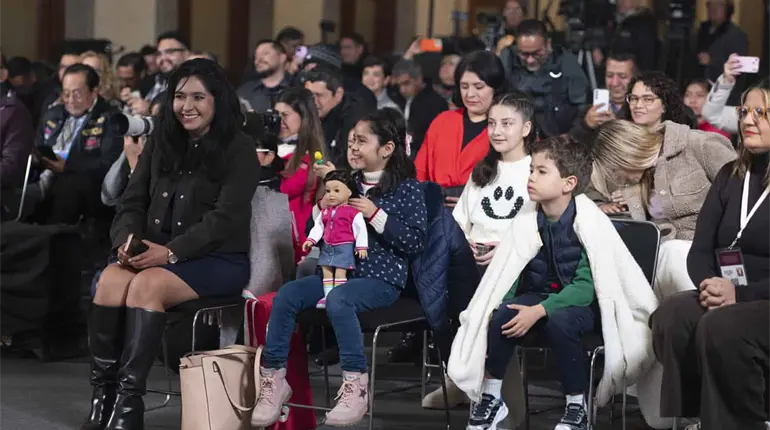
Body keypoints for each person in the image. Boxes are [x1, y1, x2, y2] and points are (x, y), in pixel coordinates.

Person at [82, 59, 258, 429]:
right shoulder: (161, 141)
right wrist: (126, 243)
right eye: (179, 96)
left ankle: (129, 402)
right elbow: (131, 202)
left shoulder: (239, 147)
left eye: (198, 97)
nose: (186, 106)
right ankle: (103, 396)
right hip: (154, 252)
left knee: (147, 285)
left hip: (215, 258)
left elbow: (225, 218)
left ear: (217, 100)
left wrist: (171, 252)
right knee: (110, 279)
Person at [448, 135, 660, 430]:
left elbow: (586, 288)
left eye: (541, 171)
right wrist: (498, 306)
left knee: (561, 322)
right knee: (501, 314)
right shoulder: (527, 217)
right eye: (531, 169)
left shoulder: (589, 221)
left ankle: (577, 406)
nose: (531, 177)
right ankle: (492, 397)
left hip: (583, 305)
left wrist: (539, 311)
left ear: (568, 183)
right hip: (539, 295)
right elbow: (508, 273)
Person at [251, 108, 427, 428]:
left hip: (381, 280)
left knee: (339, 299)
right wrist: (322, 207)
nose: (353, 148)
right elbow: (314, 233)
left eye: (361, 141)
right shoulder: (343, 184)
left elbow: (415, 242)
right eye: (350, 142)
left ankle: (355, 385)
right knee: (288, 294)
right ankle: (274, 379)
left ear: (387, 148)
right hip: (335, 272)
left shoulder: (408, 189)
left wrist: (375, 214)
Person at [651, 78, 770, 430]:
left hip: (762, 296)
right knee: (672, 315)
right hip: (729, 292)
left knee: (722, 326)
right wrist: (710, 286)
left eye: (761, 113)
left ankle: (743, 421)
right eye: (744, 111)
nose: (748, 120)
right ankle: (702, 416)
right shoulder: (731, 175)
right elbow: (701, 249)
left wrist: (740, 295)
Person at [421, 92, 534, 410]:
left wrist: (506, 249)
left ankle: (486, 391)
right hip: (471, 259)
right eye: (492, 123)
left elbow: (538, 228)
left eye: (507, 124)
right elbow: (459, 222)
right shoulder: (482, 171)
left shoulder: (535, 170)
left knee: (488, 306)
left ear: (526, 128)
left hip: (515, 263)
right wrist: (465, 244)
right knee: (439, 283)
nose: (497, 131)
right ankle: (458, 376)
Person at [589, 119, 735, 298]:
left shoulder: (699, 144)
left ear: (626, 156)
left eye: (616, 170)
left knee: (672, 253)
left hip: (708, 251)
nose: (619, 179)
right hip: (661, 257)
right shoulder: (639, 176)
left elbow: (743, 197)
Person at [415, 50, 508, 207]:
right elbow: (419, 171)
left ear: (496, 87)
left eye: (479, 87)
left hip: (487, 209)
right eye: (464, 86)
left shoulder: (509, 126)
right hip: (437, 208)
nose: (470, 94)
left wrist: (479, 202)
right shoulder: (443, 121)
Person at [498, 19, 589, 138]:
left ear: (548, 44)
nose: (530, 60)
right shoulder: (508, 59)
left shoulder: (566, 63)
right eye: (524, 54)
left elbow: (582, 108)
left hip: (558, 138)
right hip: (515, 136)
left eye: (537, 53)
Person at [274, 87, 326, 262]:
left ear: (304, 117)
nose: (279, 120)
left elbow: (284, 189)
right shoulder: (268, 148)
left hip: (296, 244)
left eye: (285, 115)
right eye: (276, 114)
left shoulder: (310, 157)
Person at [247, 133, 295, 296]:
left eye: (252, 150)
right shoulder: (237, 185)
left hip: (264, 280)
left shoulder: (279, 192)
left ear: (269, 156)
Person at [570, 52, 637, 144]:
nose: (614, 83)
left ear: (635, 78)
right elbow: (571, 142)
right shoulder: (590, 108)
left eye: (622, 76)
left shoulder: (641, 108)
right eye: (609, 76)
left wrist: (614, 126)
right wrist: (586, 125)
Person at [390, 59, 448, 157]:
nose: (402, 90)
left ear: (419, 79)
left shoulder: (435, 103)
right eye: (399, 85)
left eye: (406, 83)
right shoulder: (396, 97)